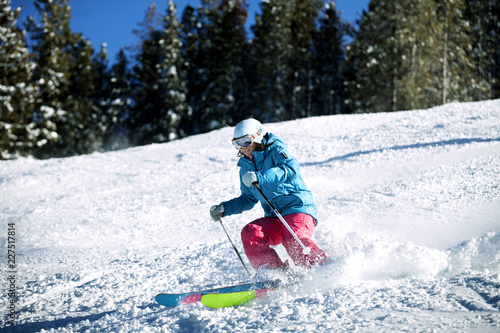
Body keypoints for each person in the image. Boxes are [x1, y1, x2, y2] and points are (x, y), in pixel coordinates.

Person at [210, 119, 328, 271]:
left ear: (257, 136)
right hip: (274, 216)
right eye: (237, 144)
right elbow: (248, 198)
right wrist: (225, 208)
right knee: (251, 233)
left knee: (293, 241)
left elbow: (290, 168)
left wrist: (260, 177)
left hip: (297, 208)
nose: (243, 148)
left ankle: (323, 270)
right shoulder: (245, 167)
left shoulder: (275, 150)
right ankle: (274, 274)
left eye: (246, 142)